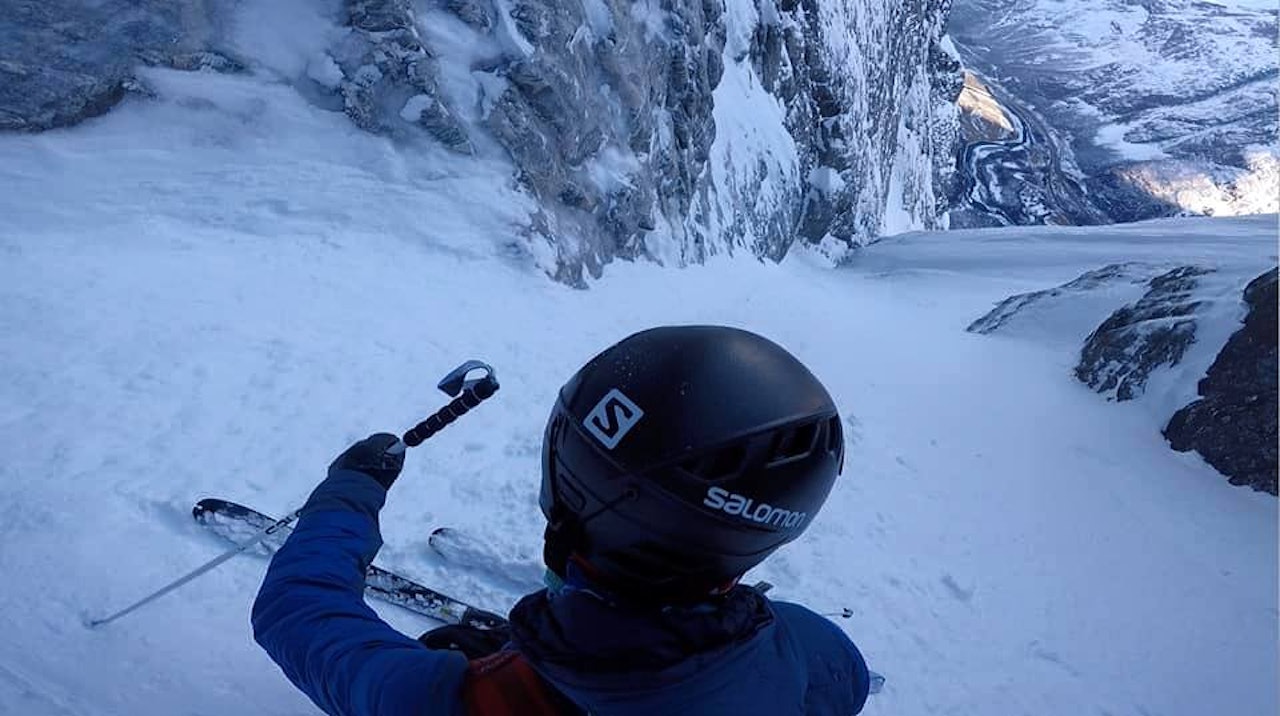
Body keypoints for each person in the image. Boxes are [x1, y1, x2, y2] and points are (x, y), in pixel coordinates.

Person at [253, 325, 873, 715]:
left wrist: (350, 488)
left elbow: (298, 611)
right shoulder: (809, 644)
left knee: (441, 651)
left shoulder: (471, 703)